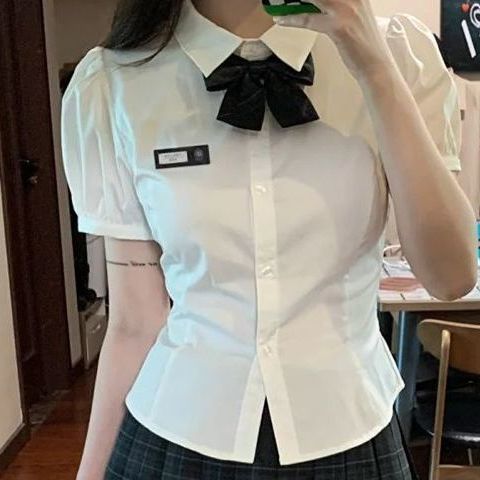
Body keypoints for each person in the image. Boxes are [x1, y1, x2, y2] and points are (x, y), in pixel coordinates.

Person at [60, 0, 478, 478]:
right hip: (174, 440)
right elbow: (136, 323)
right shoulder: (113, 83)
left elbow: (451, 277)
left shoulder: (402, 54)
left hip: (352, 436)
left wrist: (374, 68)